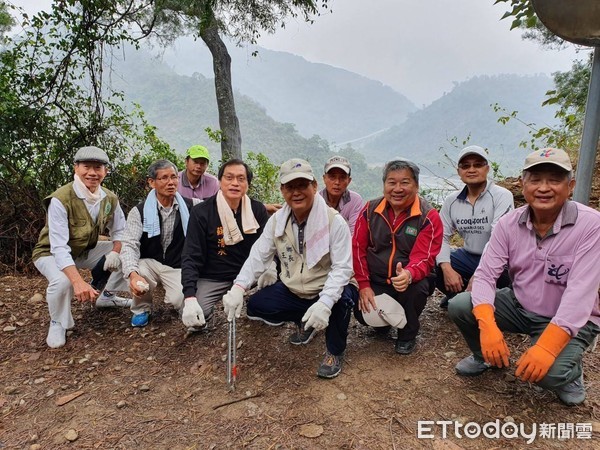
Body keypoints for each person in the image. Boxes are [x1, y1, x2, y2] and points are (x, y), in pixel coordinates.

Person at [449, 148, 600, 406]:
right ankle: (485, 355)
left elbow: (580, 295)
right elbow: (485, 276)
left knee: (547, 375)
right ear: (523, 183)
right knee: (461, 305)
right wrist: (487, 325)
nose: (544, 187)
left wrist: (547, 347)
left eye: (554, 179)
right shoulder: (509, 224)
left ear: (570, 185)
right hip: (519, 305)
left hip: (569, 317)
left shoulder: (591, 226)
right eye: (535, 179)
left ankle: (571, 373)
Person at [222, 158, 358, 379]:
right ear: (282, 190)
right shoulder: (277, 221)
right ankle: (305, 321)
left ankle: (334, 351)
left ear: (314, 186)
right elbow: (258, 255)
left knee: (341, 302)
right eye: (290, 187)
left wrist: (324, 303)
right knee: (257, 304)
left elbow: (342, 268)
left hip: (326, 288)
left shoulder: (335, 222)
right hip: (294, 287)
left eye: (302, 185)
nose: (296, 192)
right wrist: (239, 286)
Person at [32, 146, 130, 348]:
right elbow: (58, 247)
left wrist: (115, 251)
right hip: (49, 252)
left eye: (98, 167)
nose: (92, 173)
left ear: (106, 171)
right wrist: (78, 281)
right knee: (62, 281)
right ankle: (58, 322)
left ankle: (108, 296)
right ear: (76, 168)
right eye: (87, 167)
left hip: (85, 250)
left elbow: (121, 231)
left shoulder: (109, 198)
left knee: (128, 250)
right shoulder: (61, 199)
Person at [353, 159, 443, 355]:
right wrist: (364, 285)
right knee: (361, 313)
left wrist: (409, 274)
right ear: (384, 185)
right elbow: (358, 249)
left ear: (416, 186)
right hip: (377, 279)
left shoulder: (428, 216)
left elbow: (425, 257)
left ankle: (407, 333)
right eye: (392, 182)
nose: (397, 188)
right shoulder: (370, 210)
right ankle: (384, 322)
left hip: (410, 280)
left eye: (405, 182)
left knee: (416, 289)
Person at [180, 159, 269, 328]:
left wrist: (270, 269)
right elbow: (191, 255)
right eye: (229, 177)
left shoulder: (257, 210)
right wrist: (190, 296)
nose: (235, 183)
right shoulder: (202, 212)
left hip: (250, 274)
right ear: (219, 181)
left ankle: (255, 303)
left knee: (267, 305)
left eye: (241, 179)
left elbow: (269, 248)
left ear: (248, 184)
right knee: (195, 317)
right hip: (214, 277)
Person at [120, 159, 200, 327]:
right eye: (164, 178)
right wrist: (133, 275)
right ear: (152, 182)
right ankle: (141, 309)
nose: (170, 182)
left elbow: (217, 206)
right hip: (150, 262)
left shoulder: (191, 206)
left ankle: (174, 297)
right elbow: (129, 244)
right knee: (140, 273)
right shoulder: (139, 211)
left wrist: (260, 207)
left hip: (177, 265)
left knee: (179, 300)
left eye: (173, 177)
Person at [436, 145, 514, 309]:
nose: (471, 169)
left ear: (487, 168)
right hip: (469, 255)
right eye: (465, 166)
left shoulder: (501, 196)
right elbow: (441, 235)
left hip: (501, 261)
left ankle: (493, 300)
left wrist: (480, 275)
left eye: (478, 165)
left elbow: (498, 239)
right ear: (459, 171)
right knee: (434, 262)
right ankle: (458, 296)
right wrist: (446, 267)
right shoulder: (452, 200)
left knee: (508, 281)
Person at [319, 155, 364, 235]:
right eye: (332, 177)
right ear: (324, 178)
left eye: (342, 178)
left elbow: (354, 233)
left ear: (349, 180)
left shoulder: (355, 200)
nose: (337, 182)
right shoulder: (316, 200)